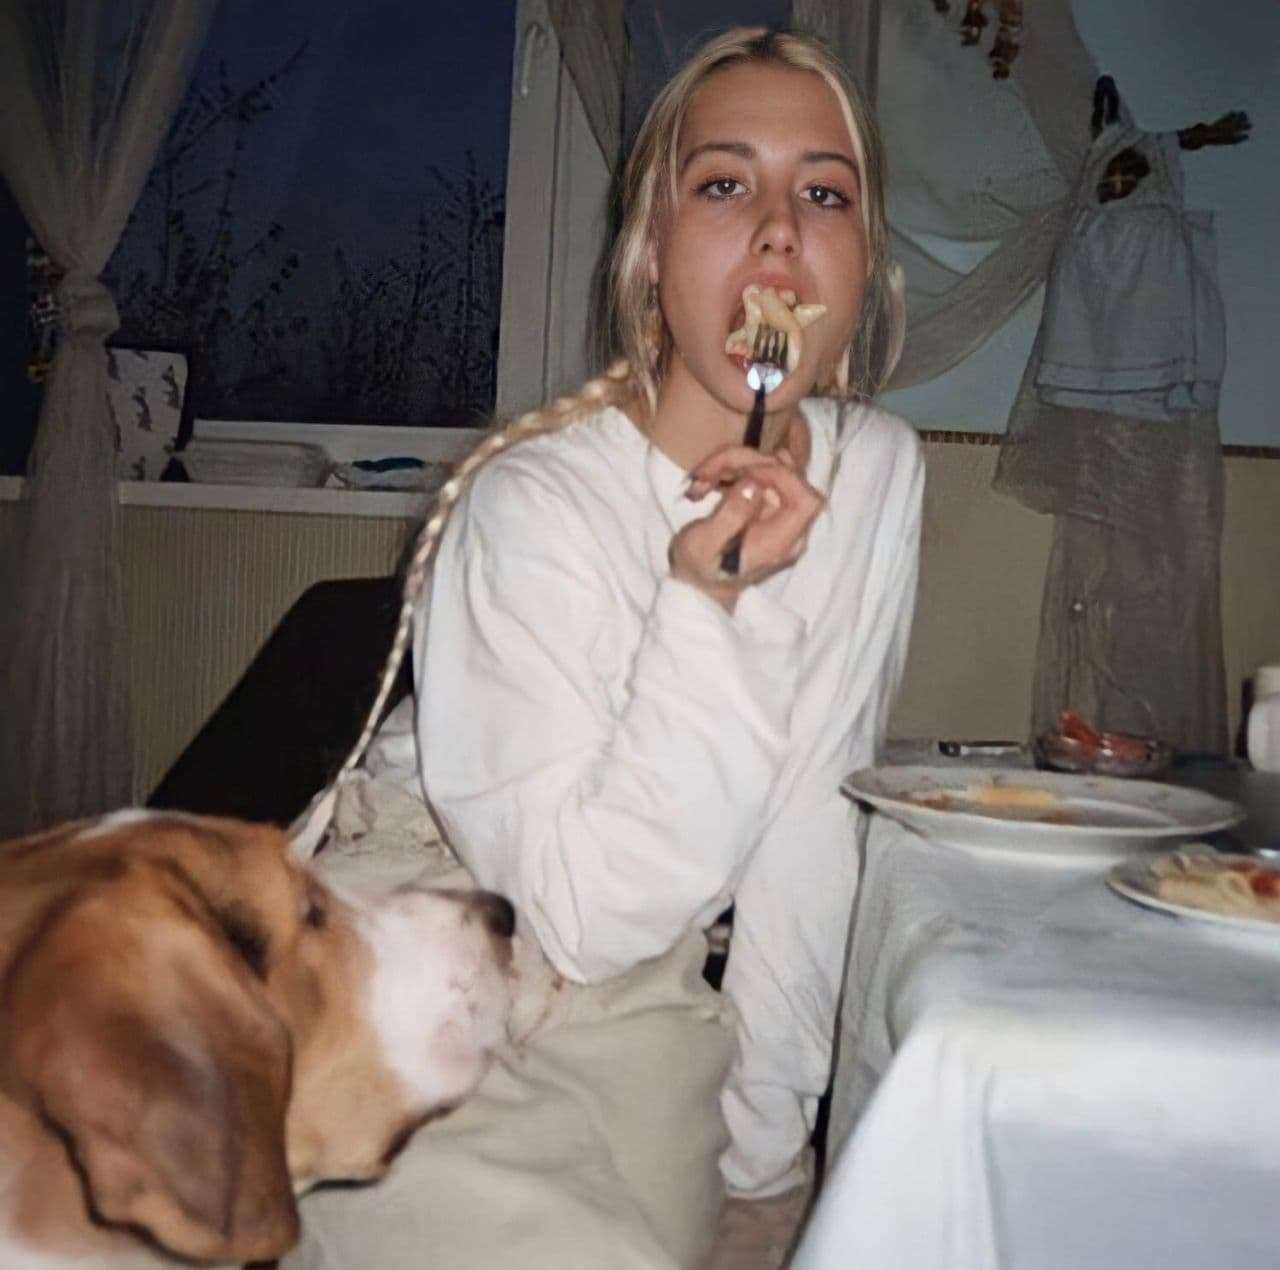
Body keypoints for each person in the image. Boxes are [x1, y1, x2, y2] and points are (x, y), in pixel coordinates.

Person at [287, 25, 922, 1270]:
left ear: (863, 266)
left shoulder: (875, 469)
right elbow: (577, 918)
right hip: (444, 905)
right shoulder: (529, 501)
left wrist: (766, 1156)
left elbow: (811, 813)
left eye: (823, 195)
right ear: (648, 251)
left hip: (647, 967)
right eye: (724, 185)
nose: (778, 233)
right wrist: (713, 602)